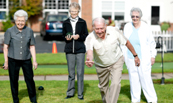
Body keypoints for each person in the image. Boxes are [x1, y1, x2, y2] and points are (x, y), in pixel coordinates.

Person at [85, 17, 140, 103]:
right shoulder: (90, 38)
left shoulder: (114, 31)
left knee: (115, 84)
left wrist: (135, 56)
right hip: (101, 65)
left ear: (106, 26)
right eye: (97, 29)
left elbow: (127, 43)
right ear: (93, 27)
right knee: (103, 88)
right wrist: (89, 59)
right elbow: (89, 52)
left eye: (101, 28)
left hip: (116, 61)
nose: (99, 31)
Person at [123, 7, 157, 103]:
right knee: (134, 81)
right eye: (133, 16)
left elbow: (151, 43)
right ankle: (135, 100)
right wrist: (123, 55)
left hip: (144, 58)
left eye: (137, 16)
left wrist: (153, 55)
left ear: (140, 17)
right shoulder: (127, 26)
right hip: (130, 58)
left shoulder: (146, 27)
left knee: (146, 80)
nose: (135, 18)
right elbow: (124, 42)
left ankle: (152, 100)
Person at [3, 10, 37, 103]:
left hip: (26, 59)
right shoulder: (9, 31)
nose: (20, 23)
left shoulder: (29, 31)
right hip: (13, 60)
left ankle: (33, 100)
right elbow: (6, 47)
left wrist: (34, 61)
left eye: (22, 20)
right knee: (13, 81)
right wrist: (6, 62)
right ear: (15, 21)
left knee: (30, 80)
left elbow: (32, 46)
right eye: (18, 20)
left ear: (25, 21)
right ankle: (15, 100)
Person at [62, 2, 88, 100]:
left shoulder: (82, 22)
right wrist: (66, 38)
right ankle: (70, 93)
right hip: (69, 50)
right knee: (71, 73)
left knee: (80, 72)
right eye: (72, 11)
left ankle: (80, 94)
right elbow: (62, 35)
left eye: (75, 11)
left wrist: (79, 37)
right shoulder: (65, 22)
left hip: (80, 50)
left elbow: (86, 35)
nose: (73, 13)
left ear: (78, 11)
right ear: (69, 11)